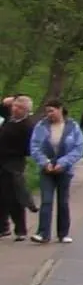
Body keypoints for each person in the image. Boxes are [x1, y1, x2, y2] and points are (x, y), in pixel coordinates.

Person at [29, 99, 83, 244]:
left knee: (63, 201)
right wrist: (45, 162)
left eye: (52, 111)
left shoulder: (73, 127)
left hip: (64, 170)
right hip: (46, 169)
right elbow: (34, 147)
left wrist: (63, 163)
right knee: (46, 200)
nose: (49, 114)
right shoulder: (41, 126)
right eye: (47, 112)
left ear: (60, 109)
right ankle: (43, 233)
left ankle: (63, 233)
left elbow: (78, 148)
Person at [0, 95, 33, 241]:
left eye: (19, 108)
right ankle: (3, 227)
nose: (15, 109)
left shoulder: (27, 126)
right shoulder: (8, 121)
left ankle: (21, 229)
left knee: (14, 197)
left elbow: (28, 149)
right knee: (1, 196)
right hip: (2, 161)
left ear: (26, 110)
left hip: (14, 163)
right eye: (14, 106)